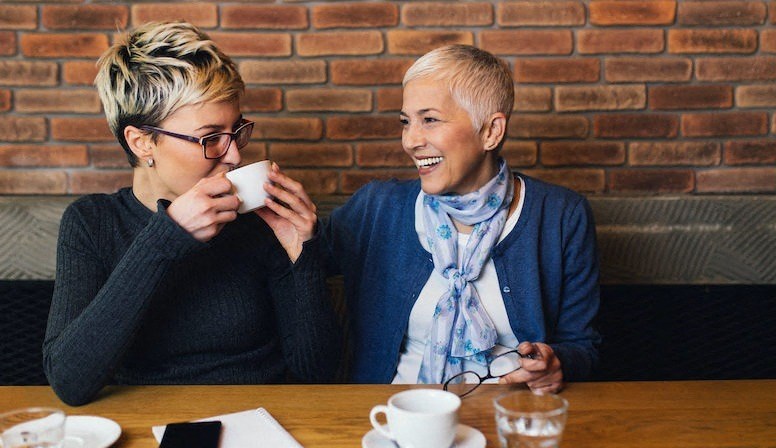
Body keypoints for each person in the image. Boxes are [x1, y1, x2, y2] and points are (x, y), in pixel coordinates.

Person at [43, 21, 340, 406]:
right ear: (143, 141)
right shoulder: (92, 223)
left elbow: (317, 373)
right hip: (148, 425)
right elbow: (69, 381)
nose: (234, 155)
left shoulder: (257, 223)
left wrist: (303, 252)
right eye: (210, 138)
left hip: (262, 421)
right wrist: (164, 239)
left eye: (236, 131)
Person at [321, 45, 600, 393]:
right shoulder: (378, 208)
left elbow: (583, 347)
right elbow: (297, 264)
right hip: (395, 417)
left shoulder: (561, 216)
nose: (410, 140)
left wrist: (557, 363)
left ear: (490, 131)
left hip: (510, 415)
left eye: (430, 120)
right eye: (406, 122)